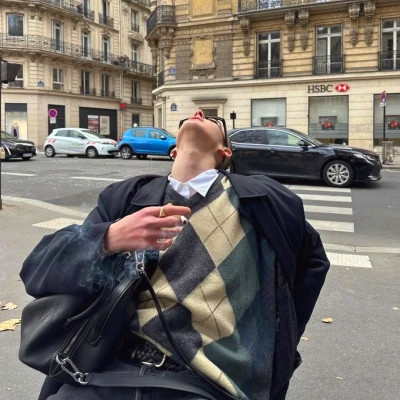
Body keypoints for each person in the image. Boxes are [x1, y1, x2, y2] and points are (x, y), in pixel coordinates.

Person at [20, 110, 330, 400]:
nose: (198, 114)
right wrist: (109, 238)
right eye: (188, 118)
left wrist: (272, 344)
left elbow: (311, 266)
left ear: (225, 151)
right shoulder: (127, 199)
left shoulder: (264, 202)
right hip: (107, 373)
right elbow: (37, 271)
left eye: (213, 119)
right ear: (173, 151)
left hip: (206, 384)